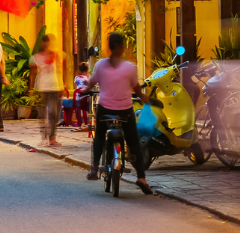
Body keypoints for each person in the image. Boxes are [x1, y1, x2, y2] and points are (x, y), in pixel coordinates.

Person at [82, 32, 152, 194]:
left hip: (105, 110)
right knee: (134, 142)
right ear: (121, 47)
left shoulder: (100, 65)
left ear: (109, 47)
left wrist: (85, 91)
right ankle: (141, 178)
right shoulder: (129, 67)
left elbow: (92, 83)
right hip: (125, 112)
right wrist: (144, 98)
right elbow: (136, 88)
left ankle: (94, 168)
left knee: (99, 136)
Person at [29, 33, 66, 146]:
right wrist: (31, 89)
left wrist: (63, 84)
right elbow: (33, 74)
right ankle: (44, 136)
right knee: (43, 113)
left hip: (55, 86)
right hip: (43, 87)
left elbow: (61, 70)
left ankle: (52, 137)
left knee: (53, 113)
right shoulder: (36, 57)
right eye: (45, 42)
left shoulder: (56, 55)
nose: (47, 44)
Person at [62, 62, 90, 128]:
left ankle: (68, 121)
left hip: (77, 101)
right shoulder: (90, 78)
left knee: (63, 101)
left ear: (79, 70)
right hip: (87, 101)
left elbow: (77, 88)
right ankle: (82, 122)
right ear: (87, 70)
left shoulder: (77, 78)